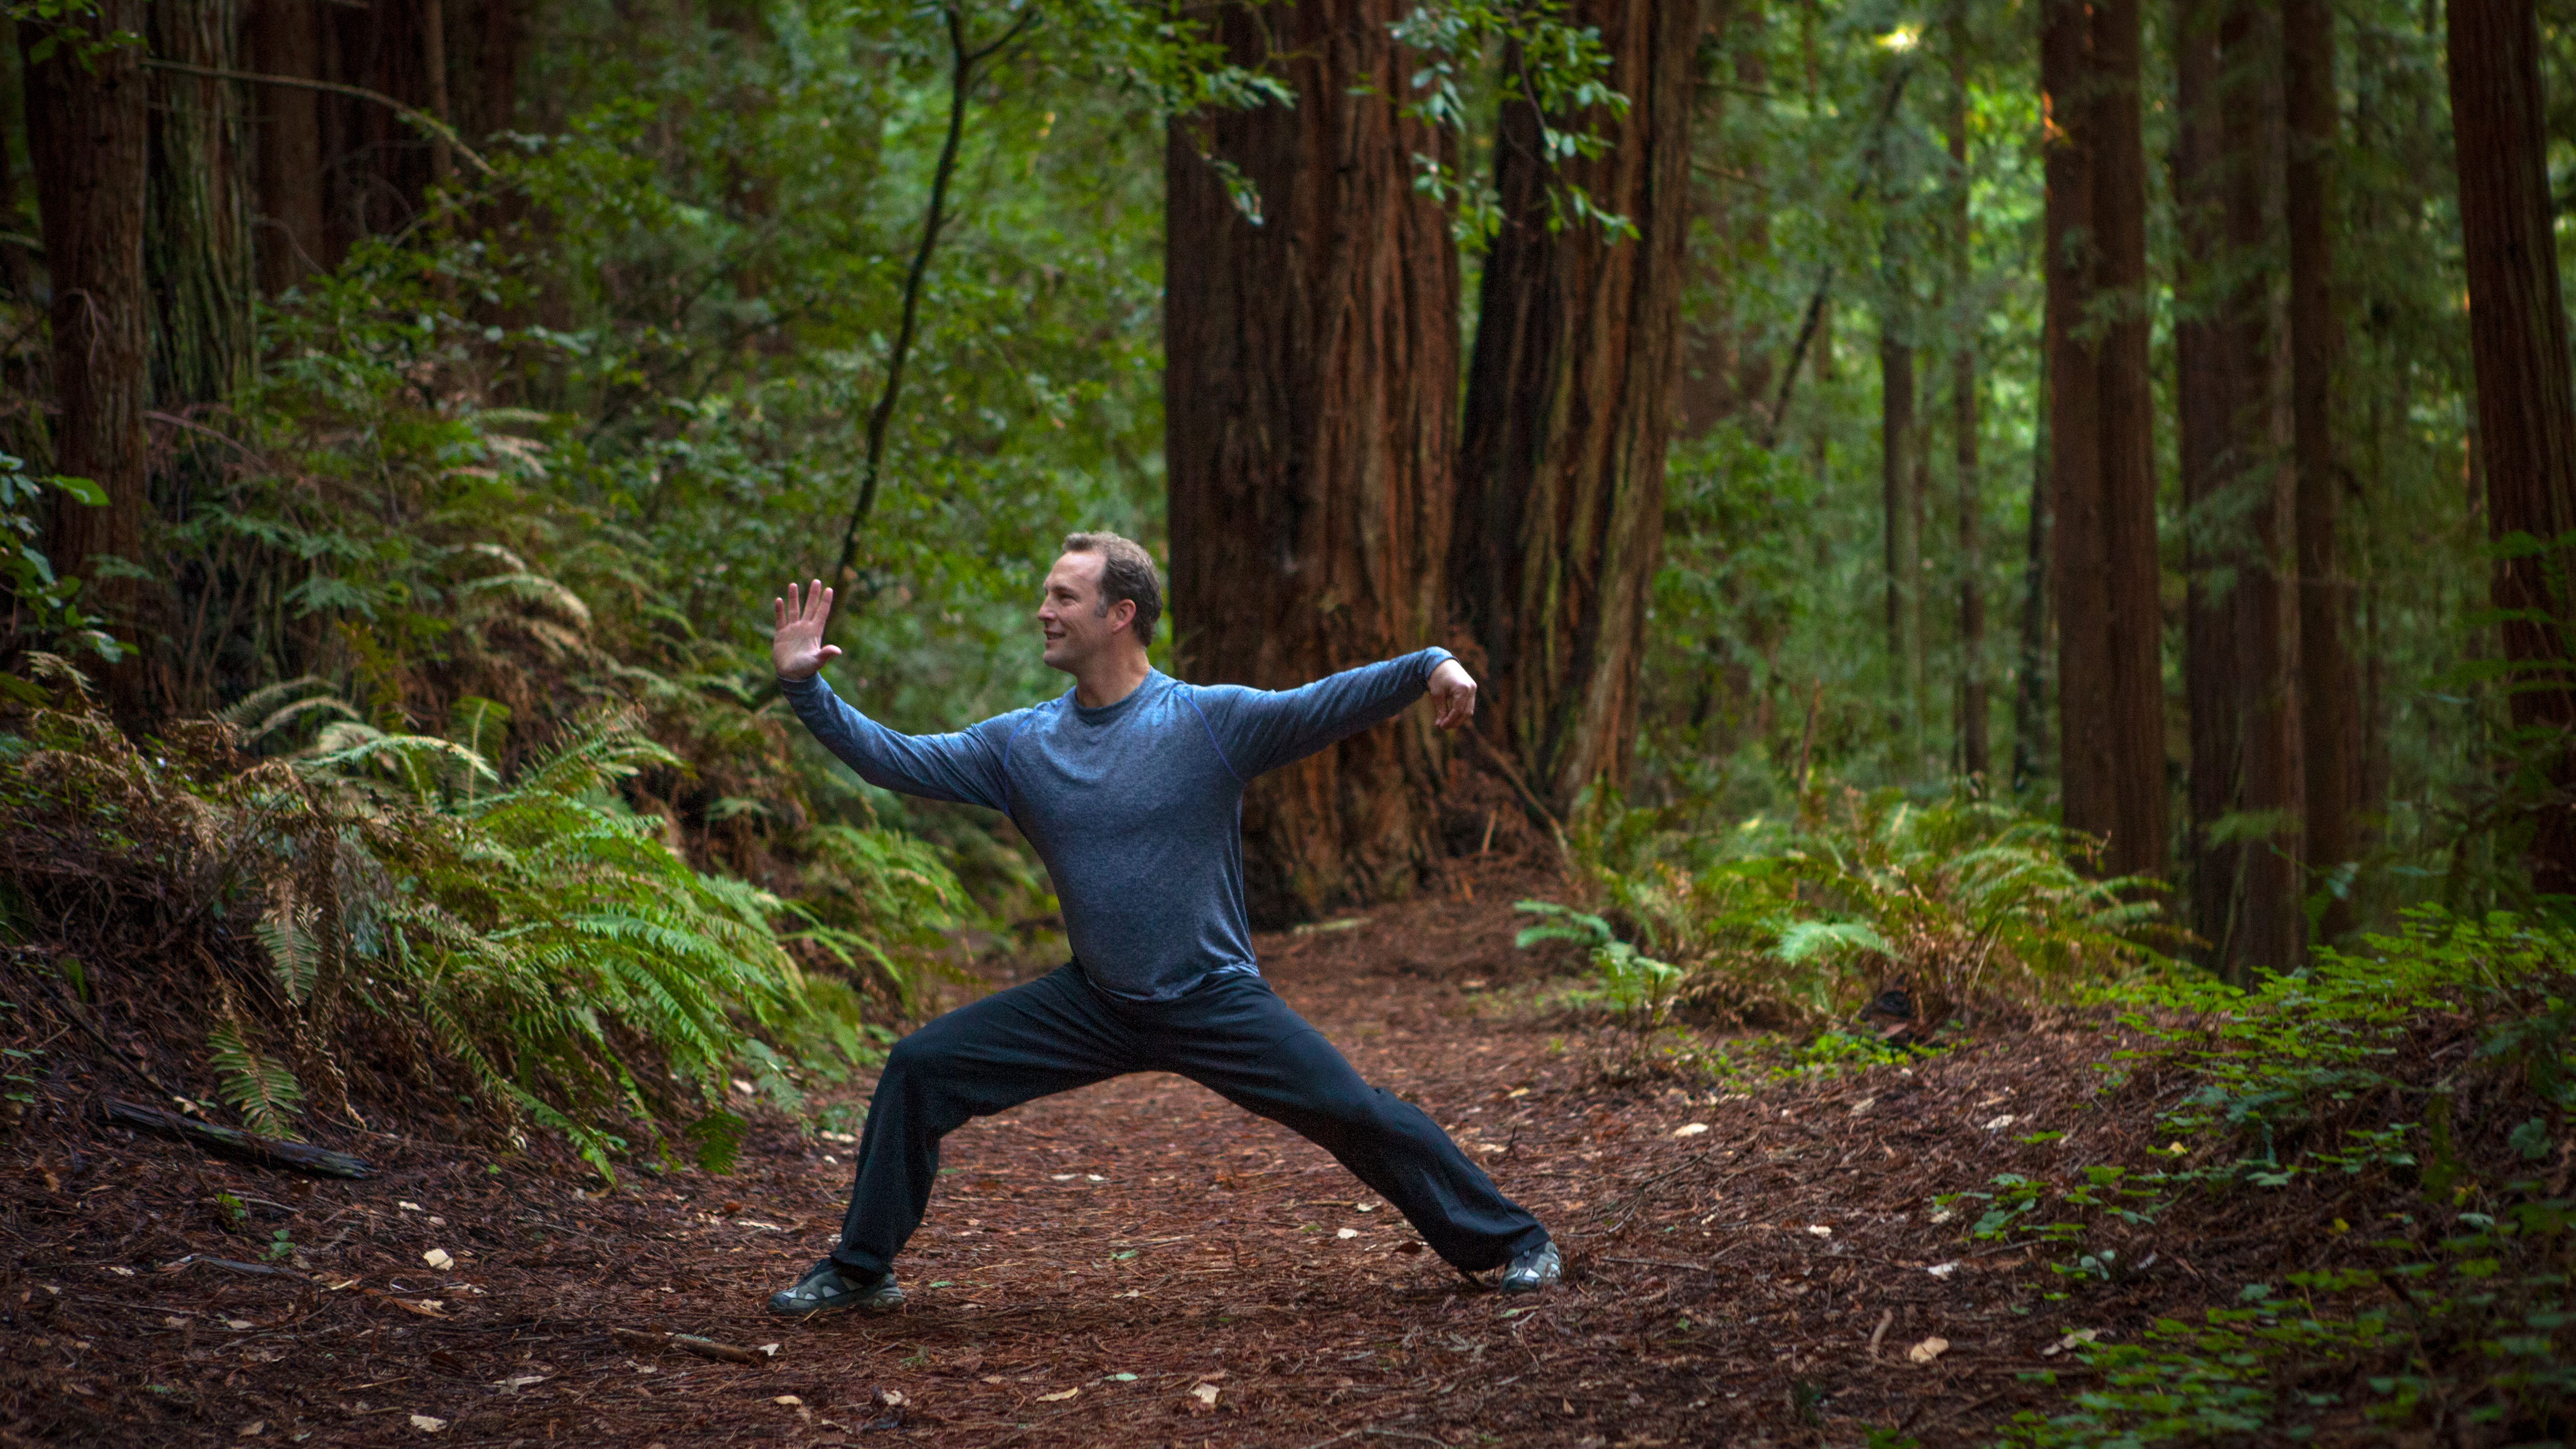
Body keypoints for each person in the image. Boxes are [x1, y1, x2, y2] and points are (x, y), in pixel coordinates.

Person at [764, 531, 1558, 1316]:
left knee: (1357, 1113)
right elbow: (893, 758)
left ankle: (1517, 1242)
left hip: (1212, 998)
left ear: (1121, 614)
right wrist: (807, 688)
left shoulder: (1207, 722)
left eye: (1062, 596)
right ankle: (863, 1270)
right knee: (920, 1066)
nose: (1042, 610)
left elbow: (1325, 704)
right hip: (1094, 1004)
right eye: (1047, 594)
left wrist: (1429, 664)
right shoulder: (1021, 744)